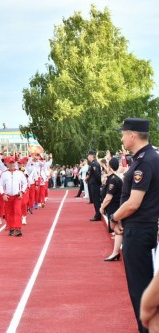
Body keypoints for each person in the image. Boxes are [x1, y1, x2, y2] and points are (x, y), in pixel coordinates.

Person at [111, 118, 159, 333]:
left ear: (132, 135)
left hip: (139, 230)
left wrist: (114, 217)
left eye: (123, 134)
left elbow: (133, 203)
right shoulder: (147, 158)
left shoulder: (145, 161)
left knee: (140, 289)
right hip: (143, 227)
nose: (121, 138)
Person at [100, 157, 123, 261]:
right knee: (118, 230)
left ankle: (115, 253)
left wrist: (101, 207)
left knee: (118, 229)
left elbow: (109, 197)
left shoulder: (113, 179)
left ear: (110, 167)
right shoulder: (112, 178)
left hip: (115, 207)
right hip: (116, 206)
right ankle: (115, 253)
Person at [0, 156, 28, 236]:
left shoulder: (20, 173)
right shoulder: (4, 174)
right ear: (6, 164)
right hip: (8, 197)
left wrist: (22, 192)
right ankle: (11, 228)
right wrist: (3, 194)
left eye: (12, 163)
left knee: (17, 212)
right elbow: (0, 185)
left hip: (17, 196)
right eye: (10, 163)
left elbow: (25, 183)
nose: (11, 164)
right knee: (9, 213)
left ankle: (18, 229)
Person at [86, 150, 102, 221]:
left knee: (96, 200)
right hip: (94, 183)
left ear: (92, 156)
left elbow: (97, 175)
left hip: (95, 184)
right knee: (95, 200)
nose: (87, 157)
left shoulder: (94, 164)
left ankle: (98, 215)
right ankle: (97, 214)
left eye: (88, 155)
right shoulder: (93, 163)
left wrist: (99, 183)